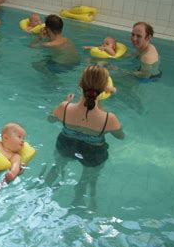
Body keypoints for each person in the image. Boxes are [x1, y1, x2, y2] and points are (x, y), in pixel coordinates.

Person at [45, 65, 124, 209]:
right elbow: (120, 136)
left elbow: (50, 119)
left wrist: (65, 103)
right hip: (93, 152)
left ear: (80, 84)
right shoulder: (109, 118)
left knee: (58, 166)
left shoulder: (64, 107)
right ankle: (79, 197)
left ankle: (44, 190)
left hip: (66, 144)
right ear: (104, 91)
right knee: (87, 177)